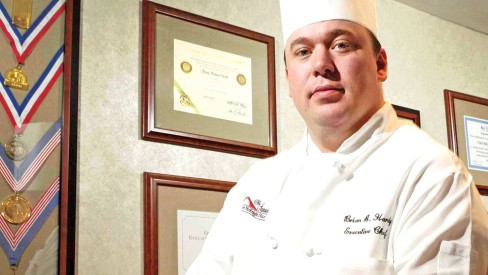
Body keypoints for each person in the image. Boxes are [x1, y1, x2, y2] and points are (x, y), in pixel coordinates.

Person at [187, 0, 488, 274]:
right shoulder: (257, 182)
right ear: (289, 78)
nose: (321, 65)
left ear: (380, 64)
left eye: (341, 45)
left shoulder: (433, 177)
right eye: (303, 52)